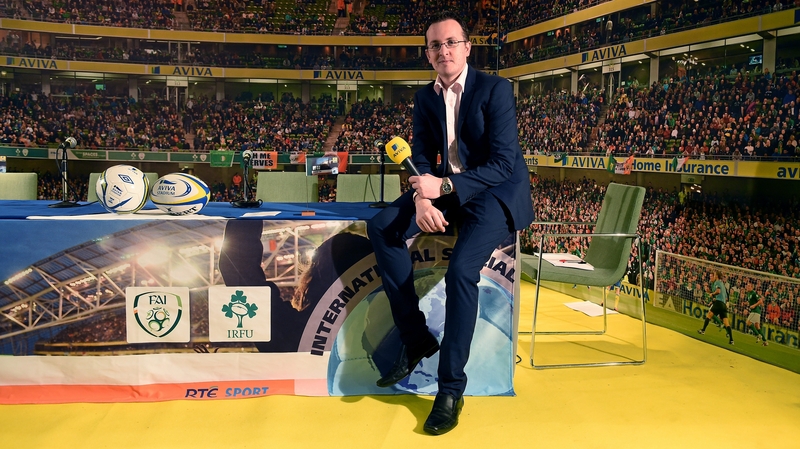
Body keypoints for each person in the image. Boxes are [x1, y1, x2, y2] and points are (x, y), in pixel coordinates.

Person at [366, 11, 534, 435]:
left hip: (493, 192)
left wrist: (441, 186)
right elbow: (422, 155)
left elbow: (503, 163)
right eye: (435, 45)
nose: (444, 50)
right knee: (382, 228)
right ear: (428, 54)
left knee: (461, 271)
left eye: (451, 42)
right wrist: (422, 196)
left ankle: (450, 389)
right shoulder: (425, 98)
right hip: (443, 189)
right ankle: (416, 339)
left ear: (467, 47)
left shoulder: (495, 89)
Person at [697, 270, 734, 345]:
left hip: (719, 303)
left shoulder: (717, 282)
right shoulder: (722, 284)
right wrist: (710, 292)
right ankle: (731, 340)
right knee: (726, 323)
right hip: (724, 305)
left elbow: (718, 291)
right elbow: (725, 296)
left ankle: (703, 330)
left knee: (709, 315)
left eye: (714, 275)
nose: (713, 276)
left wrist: (713, 294)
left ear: (716, 276)